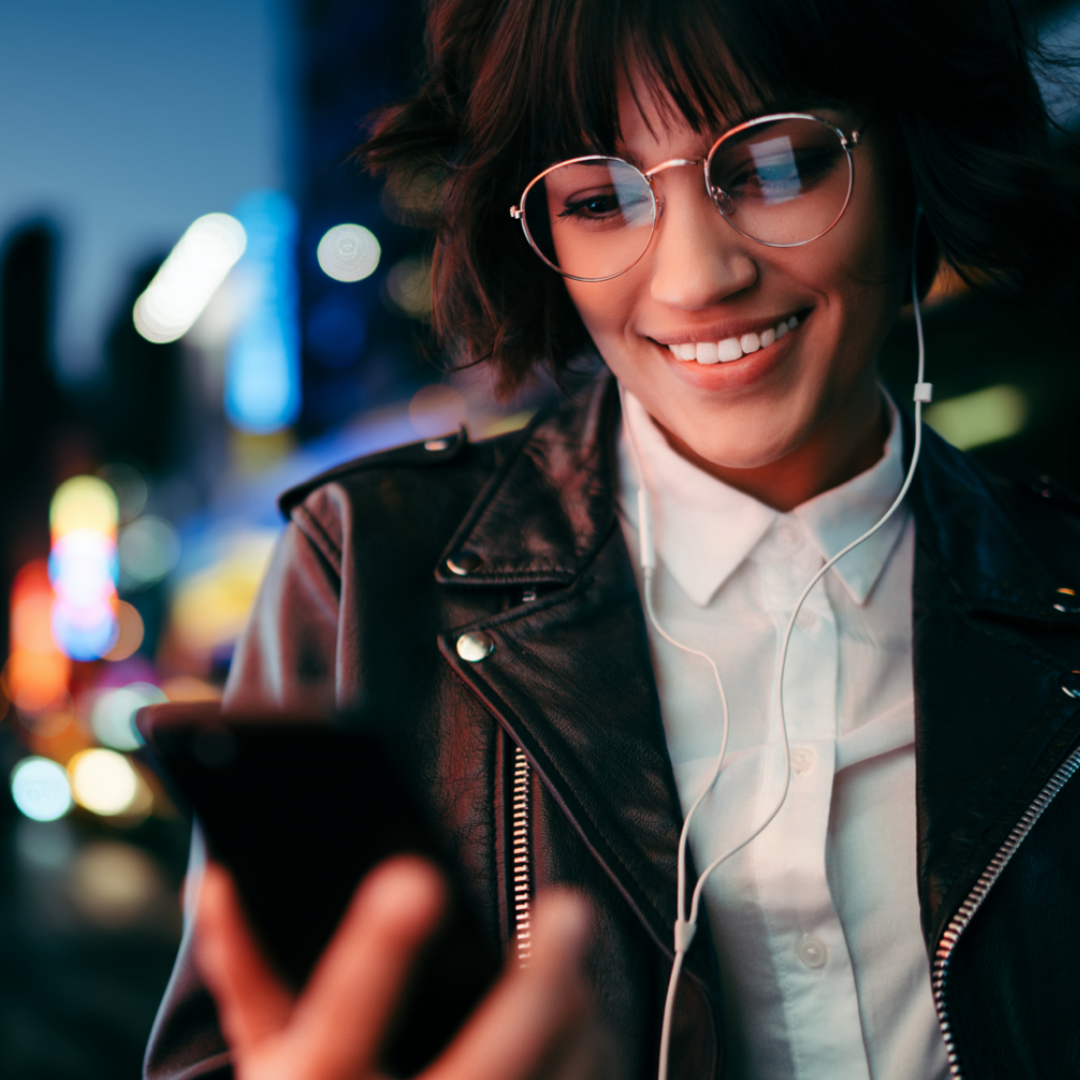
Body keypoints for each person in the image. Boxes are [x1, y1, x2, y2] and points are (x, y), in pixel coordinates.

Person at [145, 0, 1080, 1078]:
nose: (696, 278)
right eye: (600, 199)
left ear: (913, 151)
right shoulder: (367, 565)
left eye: (774, 166)